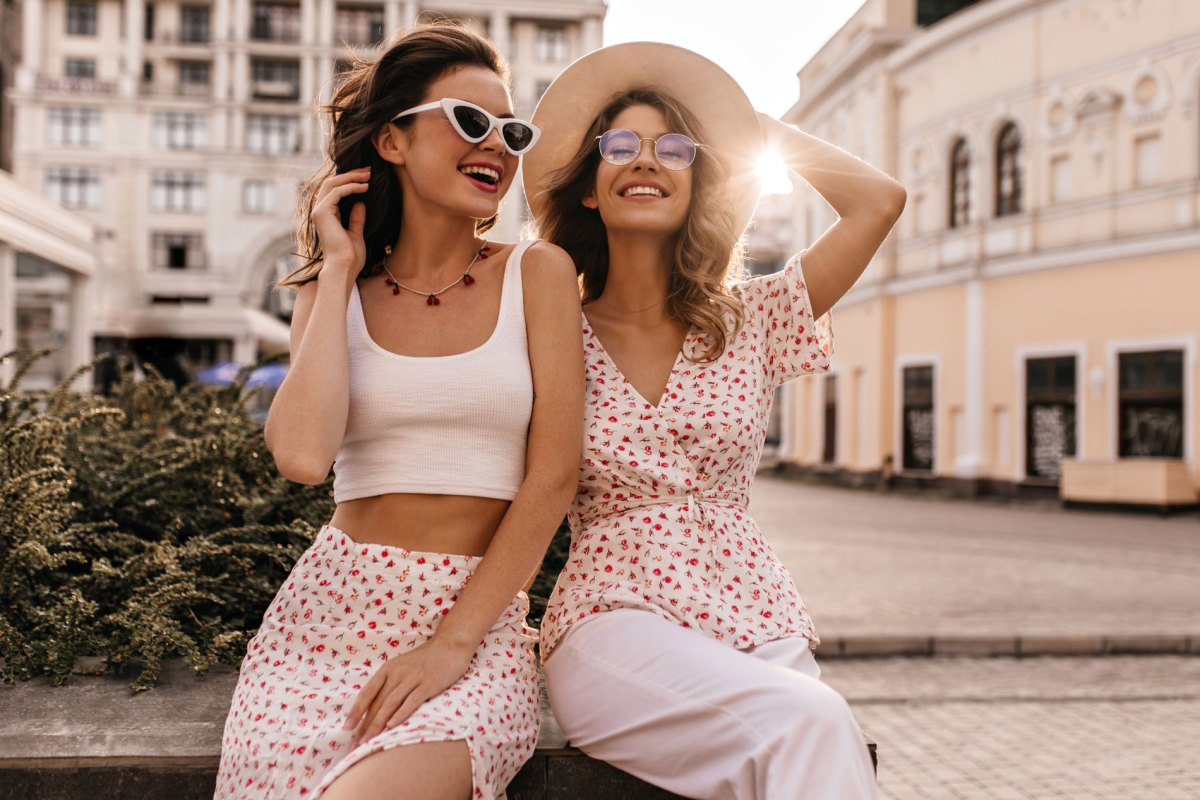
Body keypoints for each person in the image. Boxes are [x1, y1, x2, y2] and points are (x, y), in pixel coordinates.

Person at [521, 43, 905, 799]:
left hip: (757, 615)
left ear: (698, 184)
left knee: (811, 738)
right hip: (612, 617)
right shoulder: (548, 325)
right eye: (620, 146)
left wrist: (745, 125)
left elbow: (879, 200)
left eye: (674, 149)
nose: (646, 161)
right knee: (814, 725)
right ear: (591, 188)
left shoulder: (754, 317)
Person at [214, 23, 583, 800]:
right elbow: (303, 457)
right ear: (390, 140)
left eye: (510, 130)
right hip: (325, 619)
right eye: (469, 121)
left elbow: (553, 477)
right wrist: (340, 271)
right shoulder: (329, 287)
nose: (497, 145)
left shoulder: (538, 274)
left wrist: (452, 645)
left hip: (472, 625)